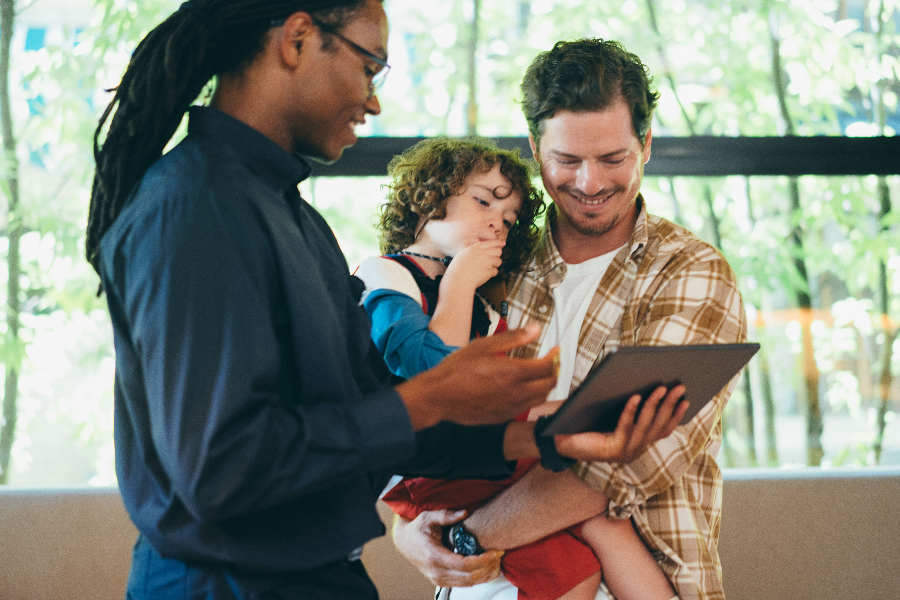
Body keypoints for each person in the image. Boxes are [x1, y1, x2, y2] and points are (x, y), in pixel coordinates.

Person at [87, 2, 688, 598]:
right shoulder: (196, 209)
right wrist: (431, 395)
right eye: (369, 67)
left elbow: (365, 420)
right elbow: (219, 469)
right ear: (298, 39)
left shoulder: (291, 219)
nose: (373, 101)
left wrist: (547, 439)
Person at [392, 38, 747, 600]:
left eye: (613, 159)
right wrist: (406, 532)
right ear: (535, 149)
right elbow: (425, 425)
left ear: (646, 144)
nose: (589, 183)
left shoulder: (690, 273)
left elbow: (620, 465)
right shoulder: (492, 265)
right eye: (567, 160)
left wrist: (460, 535)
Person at [357, 137, 678, 600]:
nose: (495, 222)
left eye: (507, 219)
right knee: (585, 516)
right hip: (429, 465)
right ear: (428, 198)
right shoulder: (386, 276)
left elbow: (496, 399)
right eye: (482, 201)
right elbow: (436, 380)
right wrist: (458, 284)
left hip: (482, 453)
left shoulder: (486, 311)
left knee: (596, 530)